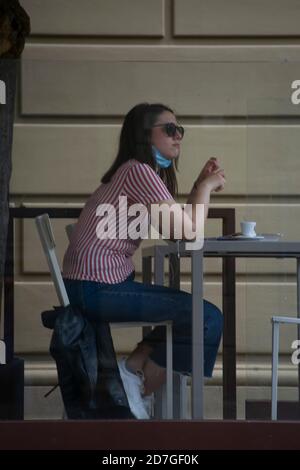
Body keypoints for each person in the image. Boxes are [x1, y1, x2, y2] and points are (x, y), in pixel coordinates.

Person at [62, 103, 225, 419]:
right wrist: (206, 187)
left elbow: (178, 230)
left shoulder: (134, 172)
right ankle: (132, 378)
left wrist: (197, 188)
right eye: (169, 129)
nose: (178, 136)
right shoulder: (138, 170)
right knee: (205, 318)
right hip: (96, 289)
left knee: (198, 317)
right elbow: (189, 236)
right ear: (144, 135)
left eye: (180, 130)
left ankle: (132, 374)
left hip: (92, 286)